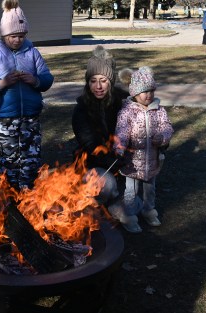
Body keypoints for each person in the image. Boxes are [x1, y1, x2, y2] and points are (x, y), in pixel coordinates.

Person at [0, 0, 54, 190]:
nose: (18, 40)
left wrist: (35, 81)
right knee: (11, 156)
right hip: (5, 116)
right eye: (13, 36)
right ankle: (10, 193)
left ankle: (28, 193)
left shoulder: (33, 53)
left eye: (21, 35)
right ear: (4, 34)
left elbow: (47, 78)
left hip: (30, 115)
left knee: (31, 156)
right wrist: (1, 83)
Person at [71, 45, 131, 230]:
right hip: (95, 163)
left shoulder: (123, 102)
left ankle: (123, 202)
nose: (98, 86)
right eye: (93, 81)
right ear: (88, 83)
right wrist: (114, 160)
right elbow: (90, 144)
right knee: (106, 185)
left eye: (103, 81)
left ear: (111, 82)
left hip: (122, 158)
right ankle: (94, 207)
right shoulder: (82, 109)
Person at [114, 67, 173, 233]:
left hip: (151, 160)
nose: (148, 95)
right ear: (134, 93)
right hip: (131, 162)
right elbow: (122, 132)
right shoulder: (127, 112)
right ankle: (129, 216)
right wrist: (119, 148)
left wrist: (162, 138)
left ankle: (149, 211)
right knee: (131, 192)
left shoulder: (159, 110)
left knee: (150, 190)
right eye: (144, 91)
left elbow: (167, 127)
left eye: (151, 91)